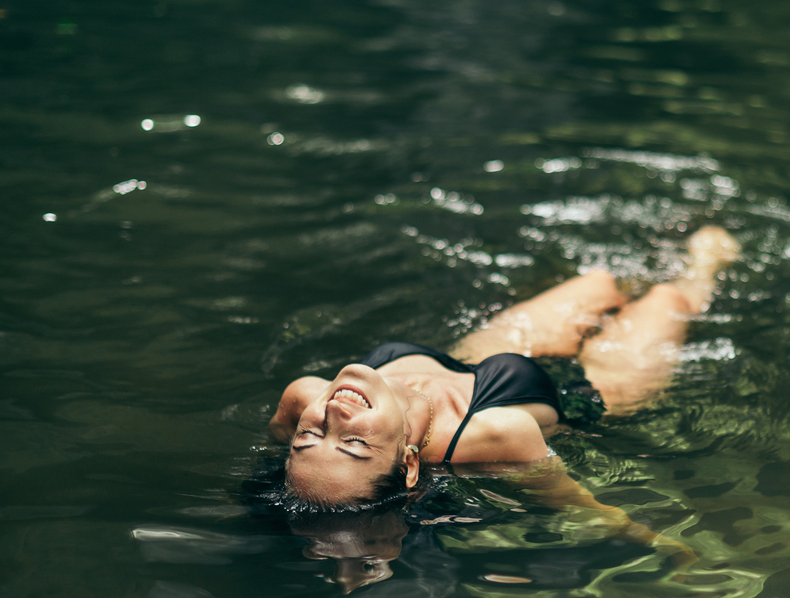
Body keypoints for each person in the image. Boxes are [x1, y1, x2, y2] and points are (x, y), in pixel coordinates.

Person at [266, 226, 740, 556]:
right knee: (669, 300)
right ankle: (705, 267)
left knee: (600, 282)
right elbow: (574, 501)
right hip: (587, 395)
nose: (332, 418)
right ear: (409, 462)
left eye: (308, 439)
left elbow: (298, 465)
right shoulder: (496, 434)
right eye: (352, 443)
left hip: (477, 359)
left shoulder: (305, 398)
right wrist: (659, 543)